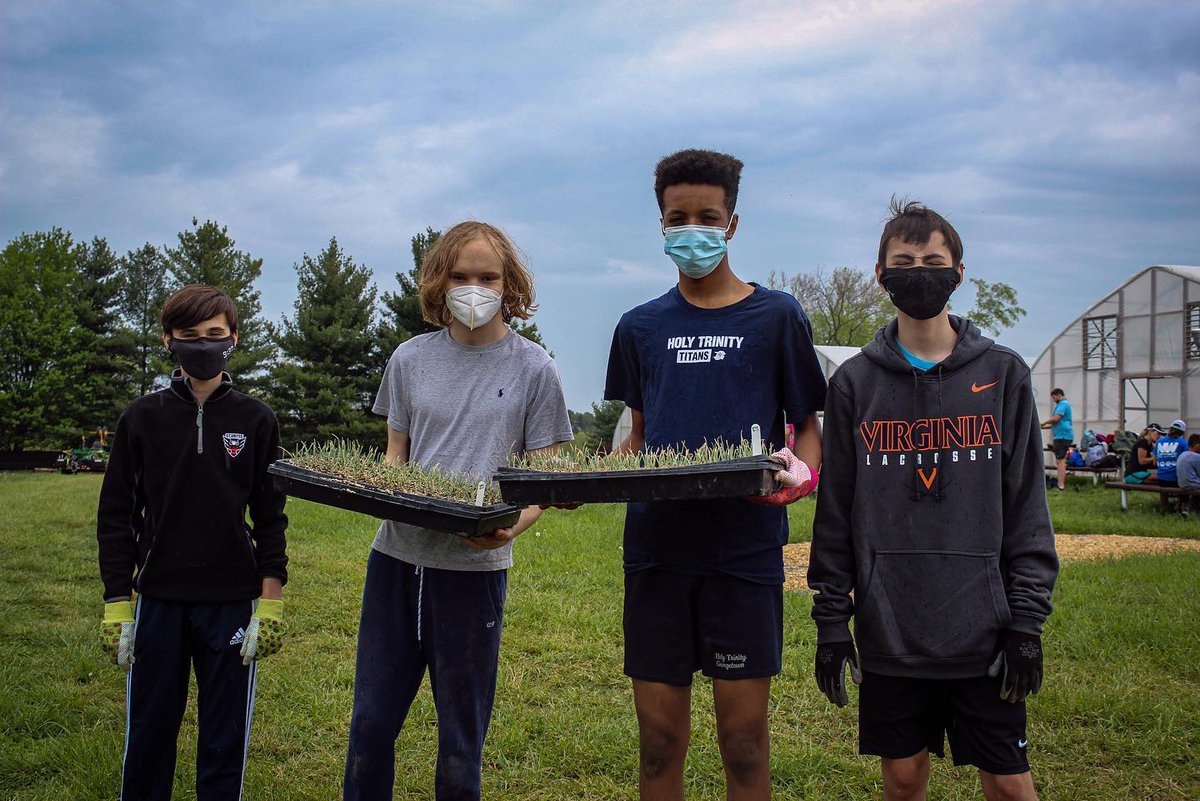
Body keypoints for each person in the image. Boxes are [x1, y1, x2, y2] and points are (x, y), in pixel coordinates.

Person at [809, 199, 1059, 801]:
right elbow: (836, 509)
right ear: (880, 274)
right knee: (902, 777)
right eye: (904, 261)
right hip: (890, 627)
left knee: (1006, 781)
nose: (918, 271)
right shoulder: (854, 384)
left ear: (959, 272)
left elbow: (1027, 506)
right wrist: (831, 620)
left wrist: (1026, 623)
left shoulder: (1003, 374)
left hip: (985, 630)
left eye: (932, 260)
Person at [604, 148, 826, 800]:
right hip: (657, 555)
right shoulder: (639, 326)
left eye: (707, 215)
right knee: (659, 744)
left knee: (746, 744)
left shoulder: (778, 317)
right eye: (679, 217)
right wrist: (572, 483)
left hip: (744, 552)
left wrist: (801, 476)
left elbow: (807, 432)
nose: (692, 229)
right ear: (662, 223)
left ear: (731, 223)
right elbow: (636, 442)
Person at [344, 221, 573, 801]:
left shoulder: (534, 368)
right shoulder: (409, 359)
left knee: (459, 742)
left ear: (511, 284)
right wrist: (389, 493)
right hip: (396, 561)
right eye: (461, 276)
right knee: (371, 726)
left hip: (473, 576)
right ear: (438, 283)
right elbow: (396, 453)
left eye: (488, 277)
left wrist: (506, 530)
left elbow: (541, 481)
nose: (475, 288)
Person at [97, 284, 289, 800]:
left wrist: (269, 605)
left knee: (225, 737)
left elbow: (271, 518)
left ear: (232, 339)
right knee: (150, 732)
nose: (202, 345)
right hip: (159, 601)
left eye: (214, 335)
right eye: (189, 336)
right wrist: (119, 604)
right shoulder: (141, 418)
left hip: (230, 602)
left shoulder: (256, 419)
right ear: (168, 341)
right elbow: (117, 517)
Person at [1040, 388, 1073, 491]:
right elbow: (1056, 424)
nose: (1054, 400)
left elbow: (1056, 419)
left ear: (1059, 395)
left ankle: (1061, 485)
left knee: (1060, 461)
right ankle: (1060, 483)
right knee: (1060, 460)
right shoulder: (1062, 405)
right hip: (1062, 435)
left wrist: (1044, 422)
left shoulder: (1063, 404)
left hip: (1062, 437)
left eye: (1054, 397)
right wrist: (1043, 427)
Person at [1153, 420, 1188, 488]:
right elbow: (1186, 462)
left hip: (1161, 479)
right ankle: (1184, 499)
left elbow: (1154, 462)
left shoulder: (1159, 441)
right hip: (1176, 479)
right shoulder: (1184, 443)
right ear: (1182, 432)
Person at [1173, 433, 1200, 515]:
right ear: (1197, 446)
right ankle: (1193, 511)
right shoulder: (1197, 457)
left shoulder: (1182, 454)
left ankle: (1186, 509)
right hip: (1193, 485)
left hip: (1182, 484)